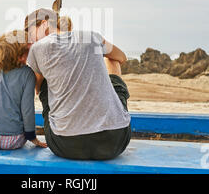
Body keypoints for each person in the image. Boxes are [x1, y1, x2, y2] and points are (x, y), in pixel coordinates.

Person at [25, 8, 131, 160]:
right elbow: (121, 57)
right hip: (116, 141)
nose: (30, 40)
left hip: (66, 145)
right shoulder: (92, 36)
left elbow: (38, 89)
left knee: (44, 83)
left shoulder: (37, 48)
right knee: (111, 59)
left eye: (30, 33)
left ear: (44, 23)